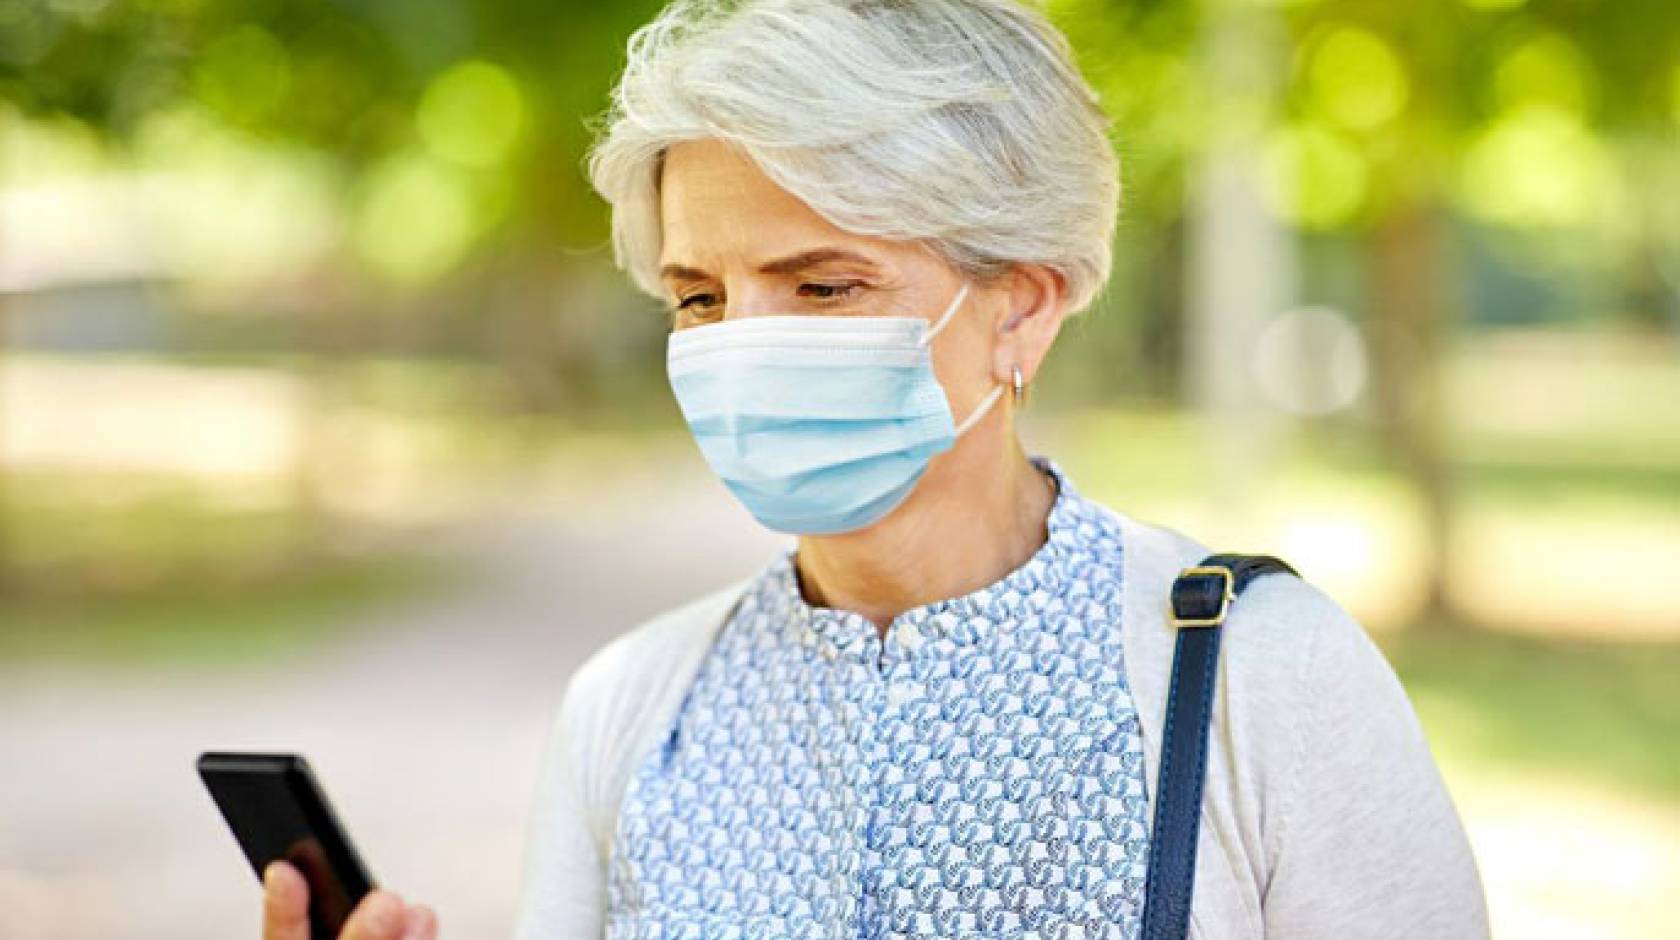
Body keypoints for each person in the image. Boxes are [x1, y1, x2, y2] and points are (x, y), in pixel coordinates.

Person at [263, 1, 1490, 937]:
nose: (743, 345)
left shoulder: (1257, 677)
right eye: (700, 295)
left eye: (824, 284)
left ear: (1023, 306)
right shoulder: (632, 711)